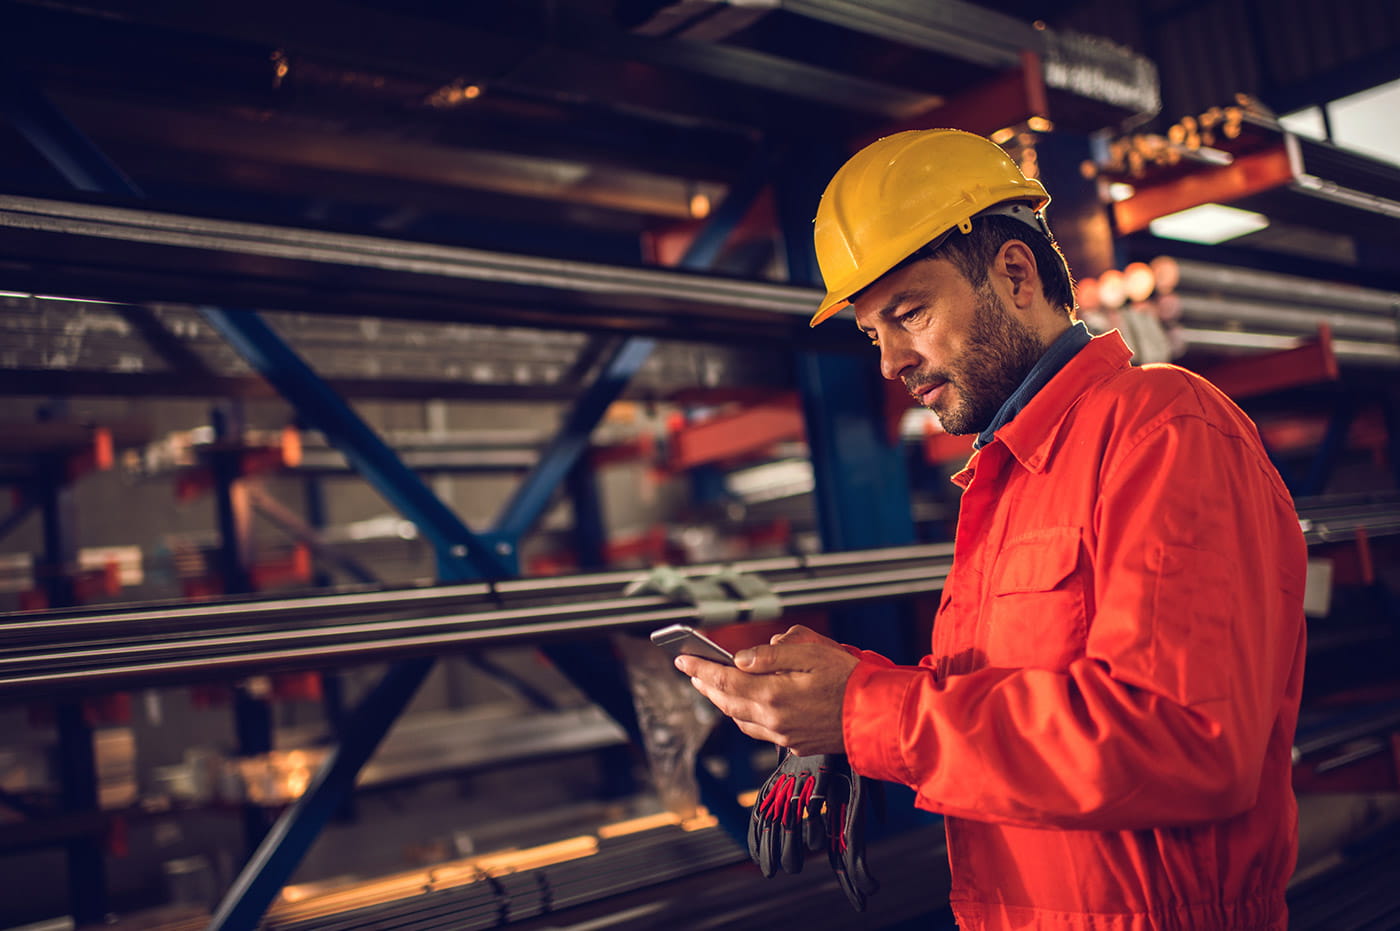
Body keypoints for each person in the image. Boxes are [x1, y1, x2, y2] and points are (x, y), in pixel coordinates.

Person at [675, 128, 1307, 930]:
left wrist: (867, 711)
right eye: (874, 334)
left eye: (910, 313)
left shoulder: (1163, 428)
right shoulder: (1010, 477)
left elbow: (1183, 739)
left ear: (1014, 273)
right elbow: (1010, 706)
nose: (890, 362)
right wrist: (830, 702)